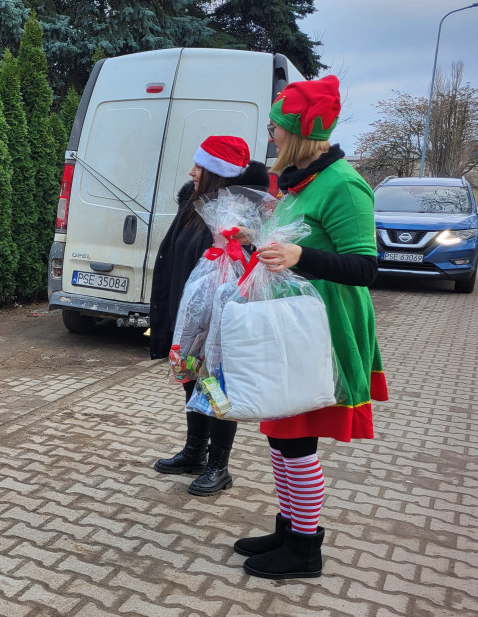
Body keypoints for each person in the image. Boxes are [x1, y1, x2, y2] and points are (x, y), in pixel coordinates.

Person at [234, 75, 388, 579]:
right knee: (280, 435)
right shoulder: (299, 180)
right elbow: (291, 242)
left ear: (300, 132)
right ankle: (287, 529)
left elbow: (366, 268)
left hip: (322, 330)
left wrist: (300, 256)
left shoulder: (343, 184)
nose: (271, 136)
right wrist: (256, 239)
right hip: (292, 324)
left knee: (297, 439)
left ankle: (304, 549)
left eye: (276, 127)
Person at [148, 135, 269, 496]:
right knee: (190, 379)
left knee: (216, 386)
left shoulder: (239, 213)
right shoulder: (194, 203)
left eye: (199, 167)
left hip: (219, 320)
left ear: (217, 173)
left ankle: (219, 465)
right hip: (188, 314)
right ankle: (194, 452)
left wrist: (247, 240)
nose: (191, 172)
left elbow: (249, 266)